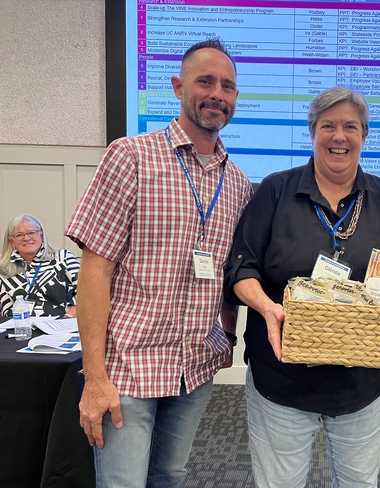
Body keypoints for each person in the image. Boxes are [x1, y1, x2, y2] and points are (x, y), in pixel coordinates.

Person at [64, 38, 253, 488]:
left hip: (194, 366)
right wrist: (94, 377)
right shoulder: (130, 156)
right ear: (177, 86)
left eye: (227, 86)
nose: (217, 94)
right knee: (123, 483)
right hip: (128, 365)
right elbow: (96, 270)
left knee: (170, 475)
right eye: (205, 81)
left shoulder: (239, 184)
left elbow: (228, 273)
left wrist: (225, 337)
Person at [225, 86, 380, 488]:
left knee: (358, 483)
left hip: (362, 383)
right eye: (328, 126)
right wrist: (267, 307)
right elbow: (241, 269)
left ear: (364, 136)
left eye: (350, 126)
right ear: (312, 132)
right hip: (282, 378)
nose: (339, 136)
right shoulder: (274, 191)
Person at [0, 214, 79, 318]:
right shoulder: (3, 268)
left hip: (63, 328)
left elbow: (88, 291)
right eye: (19, 235)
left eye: (31, 233)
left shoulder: (63, 257)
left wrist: (68, 317)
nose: (26, 238)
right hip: (19, 329)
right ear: (11, 241)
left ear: (41, 236)